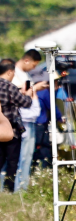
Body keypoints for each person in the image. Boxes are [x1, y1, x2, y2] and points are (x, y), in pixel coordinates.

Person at [0, 58, 44, 192]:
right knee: (12, 162)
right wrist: (28, 94)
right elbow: (25, 103)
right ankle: (8, 189)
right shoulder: (9, 86)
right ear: (9, 72)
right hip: (11, 131)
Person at [11, 49, 42, 192]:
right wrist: (35, 89)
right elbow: (20, 96)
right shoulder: (14, 75)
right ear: (27, 60)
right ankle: (17, 186)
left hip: (29, 117)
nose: (33, 68)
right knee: (21, 156)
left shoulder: (24, 75)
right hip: (22, 119)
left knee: (27, 155)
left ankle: (22, 185)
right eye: (33, 65)